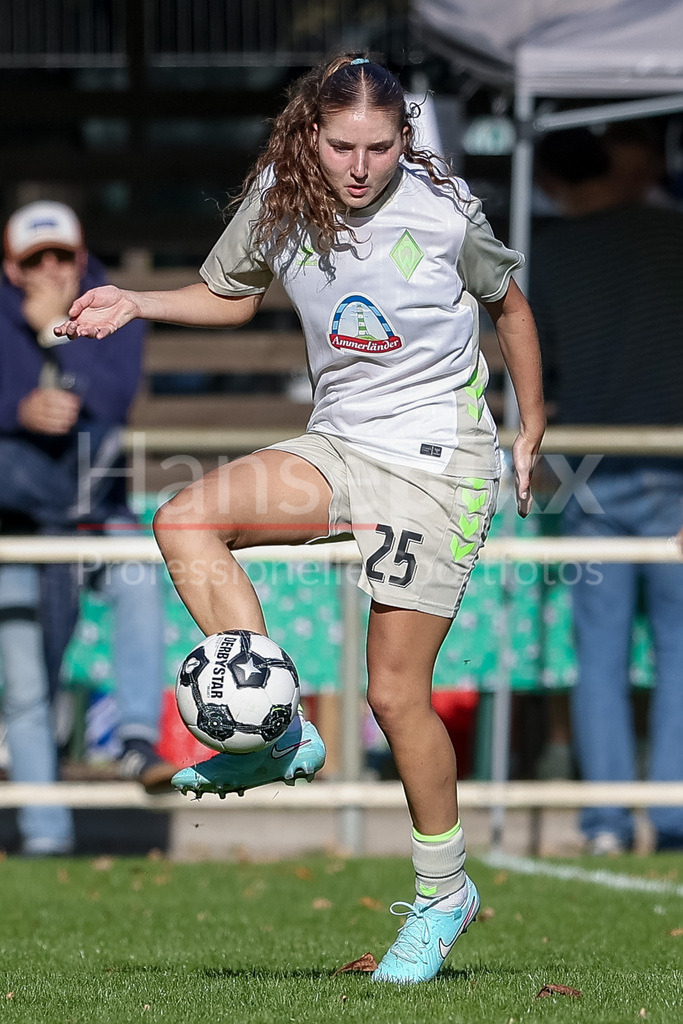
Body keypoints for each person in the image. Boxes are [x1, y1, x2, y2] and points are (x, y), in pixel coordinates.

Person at [57, 55, 545, 982]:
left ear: (405, 137)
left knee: (394, 694)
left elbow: (509, 307)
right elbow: (233, 298)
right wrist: (135, 301)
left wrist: (531, 425)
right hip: (338, 443)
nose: (358, 167)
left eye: (378, 146)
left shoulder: (443, 210)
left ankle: (445, 893)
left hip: (437, 463)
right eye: (339, 146)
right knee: (185, 520)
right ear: (308, 135)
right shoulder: (284, 193)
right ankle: (275, 728)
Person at [0, 200, 176, 855]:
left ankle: (136, 742)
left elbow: (109, 401)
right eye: (33, 260)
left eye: (61, 256)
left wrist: (55, 338)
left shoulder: (111, 306)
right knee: (25, 673)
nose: (50, 270)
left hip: (94, 508)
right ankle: (45, 836)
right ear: (12, 269)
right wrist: (19, 407)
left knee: (138, 570)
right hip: (16, 520)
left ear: (79, 257)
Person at [531, 127, 683, 855]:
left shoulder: (551, 254)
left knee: (598, 657)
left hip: (590, 473)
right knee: (680, 654)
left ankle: (605, 824)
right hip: (673, 468)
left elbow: (541, 368)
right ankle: (676, 816)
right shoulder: (672, 237)